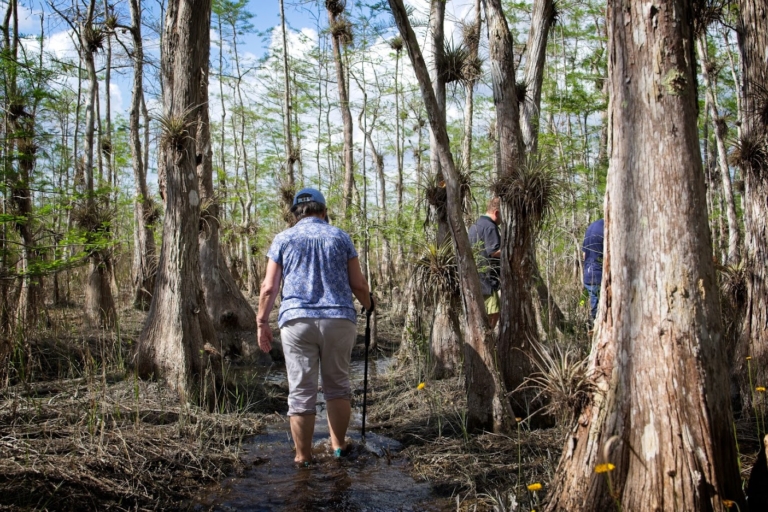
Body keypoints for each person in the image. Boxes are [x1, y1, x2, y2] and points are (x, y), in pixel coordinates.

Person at [257, 187, 373, 467]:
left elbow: (269, 287)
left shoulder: (284, 238)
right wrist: (369, 305)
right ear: (323, 211)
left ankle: (303, 458)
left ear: (296, 213)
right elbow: (358, 284)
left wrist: (262, 321)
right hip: (338, 319)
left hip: (297, 321)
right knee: (337, 387)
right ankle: (338, 448)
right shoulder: (340, 236)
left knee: (300, 392)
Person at [468, 197, 502, 329]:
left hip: (476, 278)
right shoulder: (490, 227)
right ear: (497, 212)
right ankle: (488, 340)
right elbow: (494, 251)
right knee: (493, 312)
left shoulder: (475, 225)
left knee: (482, 313)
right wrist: (512, 249)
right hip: (487, 279)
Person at [582, 218, 604, 325]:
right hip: (598, 275)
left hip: (588, 274)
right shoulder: (606, 228)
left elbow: (584, 254)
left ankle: (593, 327)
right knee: (599, 310)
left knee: (594, 305)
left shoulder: (590, 228)